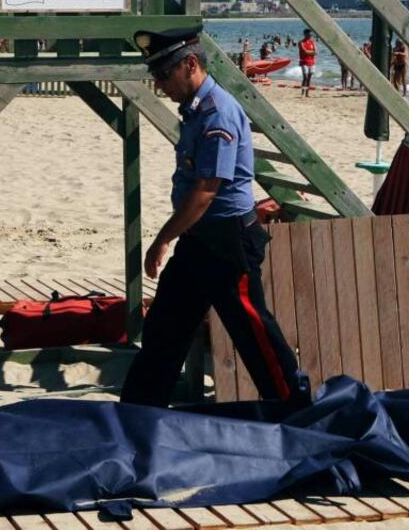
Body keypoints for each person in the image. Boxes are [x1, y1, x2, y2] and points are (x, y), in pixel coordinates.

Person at [124, 26, 310, 408]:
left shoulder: (218, 113)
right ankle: (138, 413)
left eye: (164, 75)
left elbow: (206, 192)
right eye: (155, 76)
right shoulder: (195, 111)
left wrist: (162, 239)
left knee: (253, 333)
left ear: (190, 64)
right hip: (200, 239)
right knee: (165, 328)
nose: (159, 85)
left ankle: (296, 410)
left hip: (227, 242)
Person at [297, 29, 317, 97]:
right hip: (304, 61)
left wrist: (310, 52)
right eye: (309, 34)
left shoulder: (312, 41)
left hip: (312, 61)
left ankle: (307, 93)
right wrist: (311, 52)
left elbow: (316, 52)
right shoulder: (301, 42)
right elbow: (304, 51)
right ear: (305, 34)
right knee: (305, 77)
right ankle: (302, 92)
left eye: (311, 35)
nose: (310, 36)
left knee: (309, 77)